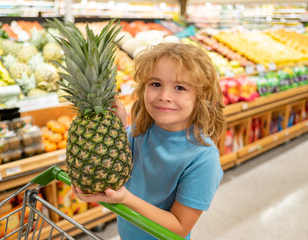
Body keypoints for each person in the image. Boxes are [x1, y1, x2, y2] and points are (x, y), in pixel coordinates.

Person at [72, 42, 226, 239]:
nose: (164, 96)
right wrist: (114, 127)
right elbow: (115, 167)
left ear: (201, 97)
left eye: (179, 87)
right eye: (155, 84)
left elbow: (179, 227)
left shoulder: (203, 157)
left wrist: (126, 199)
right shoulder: (139, 131)